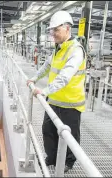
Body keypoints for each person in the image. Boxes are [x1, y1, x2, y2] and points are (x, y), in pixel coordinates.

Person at [26, 10, 87, 173]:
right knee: (48, 130)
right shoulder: (58, 49)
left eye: (56, 30)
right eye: (52, 31)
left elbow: (64, 77)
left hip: (71, 103)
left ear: (67, 28)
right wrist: (34, 78)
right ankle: (51, 158)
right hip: (54, 100)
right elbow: (47, 66)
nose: (53, 34)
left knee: (70, 136)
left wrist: (44, 91)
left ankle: (69, 162)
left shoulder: (76, 50)